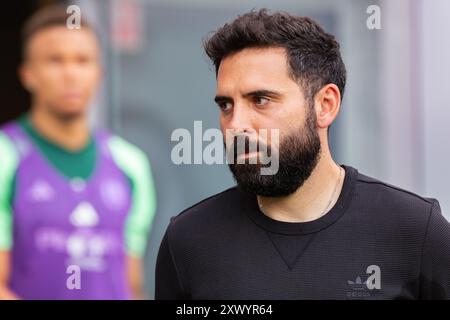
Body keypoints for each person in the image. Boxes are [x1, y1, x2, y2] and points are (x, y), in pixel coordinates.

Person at [155, 9, 450, 299]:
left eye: (260, 100)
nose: (236, 125)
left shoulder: (416, 233)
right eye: (226, 105)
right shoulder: (188, 243)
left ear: (325, 105)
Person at [0, 5, 156, 299]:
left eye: (82, 61)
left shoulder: (130, 163)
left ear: (99, 73)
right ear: (28, 74)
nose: (70, 73)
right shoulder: (6, 156)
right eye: (55, 60)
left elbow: (131, 282)